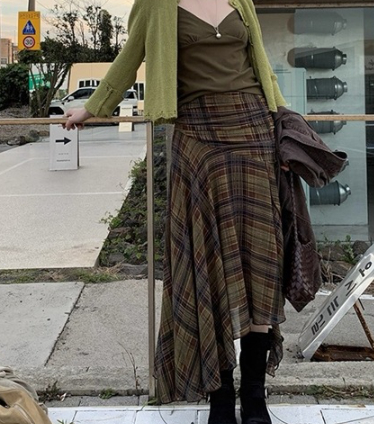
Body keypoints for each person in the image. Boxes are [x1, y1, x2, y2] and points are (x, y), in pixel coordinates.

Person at [65, 0, 288, 423]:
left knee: (260, 263)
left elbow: (260, 60)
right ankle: (220, 395)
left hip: (254, 130)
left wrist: (283, 118)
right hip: (197, 136)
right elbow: (129, 56)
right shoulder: (156, 4)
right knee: (207, 266)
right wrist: (92, 107)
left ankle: (255, 397)